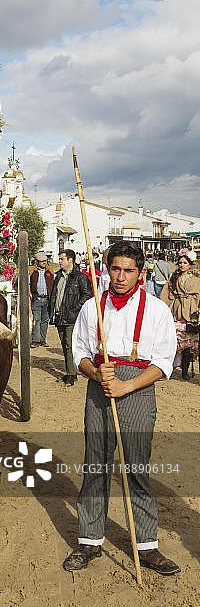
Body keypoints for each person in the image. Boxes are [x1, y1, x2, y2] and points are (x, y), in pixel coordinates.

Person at [63, 241, 179, 576]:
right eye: (115, 269)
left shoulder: (157, 311)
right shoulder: (92, 308)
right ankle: (89, 540)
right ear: (106, 269)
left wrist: (127, 384)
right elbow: (80, 353)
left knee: (136, 469)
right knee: (95, 465)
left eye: (129, 270)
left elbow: (162, 363)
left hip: (138, 389)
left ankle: (147, 546)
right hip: (99, 387)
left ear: (141, 273)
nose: (121, 277)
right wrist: (96, 373)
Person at [49, 249, 92, 386]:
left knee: (70, 345)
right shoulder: (59, 276)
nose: (60, 261)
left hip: (72, 318)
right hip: (59, 316)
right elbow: (55, 295)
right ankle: (70, 371)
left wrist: (74, 310)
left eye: (62, 259)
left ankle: (71, 374)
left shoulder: (80, 277)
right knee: (64, 344)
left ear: (70, 260)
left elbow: (87, 295)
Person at [160, 249, 200, 381]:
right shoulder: (173, 278)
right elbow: (167, 294)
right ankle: (168, 368)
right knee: (174, 342)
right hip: (177, 312)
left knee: (188, 344)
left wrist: (196, 307)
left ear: (190, 264)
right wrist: (164, 307)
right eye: (180, 262)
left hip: (190, 313)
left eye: (185, 262)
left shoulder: (196, 280)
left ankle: (185, 370)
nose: (182, 265)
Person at [29, 251, 54, 347]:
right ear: (37, 262)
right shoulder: (32, 272)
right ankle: (35, 340)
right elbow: (27, 283)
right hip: (37, 299)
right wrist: (29, 293)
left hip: (47, 299)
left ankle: (43, 340)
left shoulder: (50, 272)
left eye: (45, 260)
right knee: (37, 320)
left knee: (45, 320)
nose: (44, 262)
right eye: (42, 261)